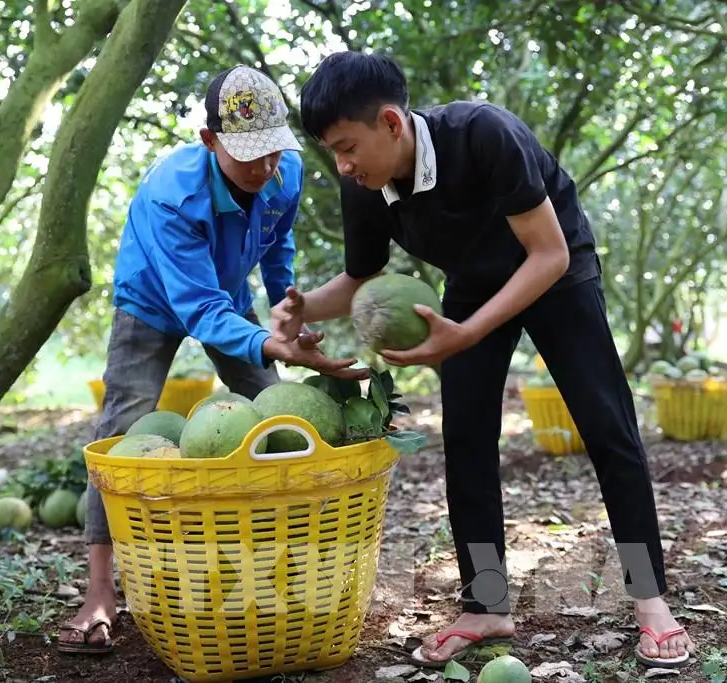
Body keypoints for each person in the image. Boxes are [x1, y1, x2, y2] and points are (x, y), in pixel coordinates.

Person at [269, 51, 696, 670]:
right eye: (333, 152)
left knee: (607, 430)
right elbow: (361, 277)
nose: (342, 164)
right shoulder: (363, 184)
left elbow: (546, 254)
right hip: (470, 280)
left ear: (391, 123)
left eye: (347, 146)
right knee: (466, 437)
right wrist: (304, 307)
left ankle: (650, 598)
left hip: (557, 272)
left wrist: (466, 333)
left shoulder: (485, 135)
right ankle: (486, 603)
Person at [57, 64, 365, 655]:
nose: (265, 168)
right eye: (249, 156)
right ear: (209, 141)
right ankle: (99, 590)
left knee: (272, 408)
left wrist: (287, 306)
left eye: (273, 152)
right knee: (120, 430)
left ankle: (282, 558)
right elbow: (198, 311)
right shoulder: (173, 198)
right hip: (151, 301)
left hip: (224, 295)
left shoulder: (284, 170)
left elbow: (278, 243)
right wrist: (268, 339)